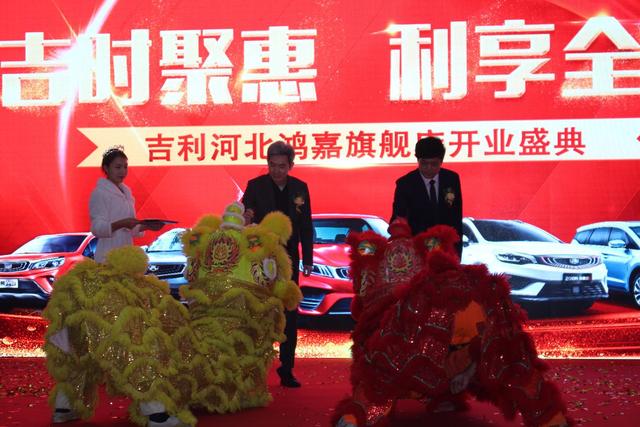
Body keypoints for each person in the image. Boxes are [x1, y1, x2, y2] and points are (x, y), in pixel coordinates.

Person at [241, 140, 313, 388]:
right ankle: (254, 367)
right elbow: (245, 216)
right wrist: (245, 216)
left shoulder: (300, 188)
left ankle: (287, 368)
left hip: (289, 260)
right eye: (272, 165)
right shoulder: (255, 186)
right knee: (259, 311)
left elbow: (306, 226)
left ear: (290, 165)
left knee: (289, 313)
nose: (276, 170)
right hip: (260, 259)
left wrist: (308, 259)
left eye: (282, 166)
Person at [89, 146, 164, 263]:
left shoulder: (127, 192)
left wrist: (147, 226)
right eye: (118, 167)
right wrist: (121, 224)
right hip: (107, 256)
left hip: (127, 255)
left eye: (125, 167)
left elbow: (130, 228)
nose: (123, 171)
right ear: (106, 168)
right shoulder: (99, 193)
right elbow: (97, 229)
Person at [391, 136, 463, 257]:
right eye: (424, 163)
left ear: (441, 161)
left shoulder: (451, 179)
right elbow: (399, 216)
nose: (429, 168)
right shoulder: (405, 184)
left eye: (434, 164)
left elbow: (456, 216)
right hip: (417, 247)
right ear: (417, 160)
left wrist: (457, 252)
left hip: (446, 247)